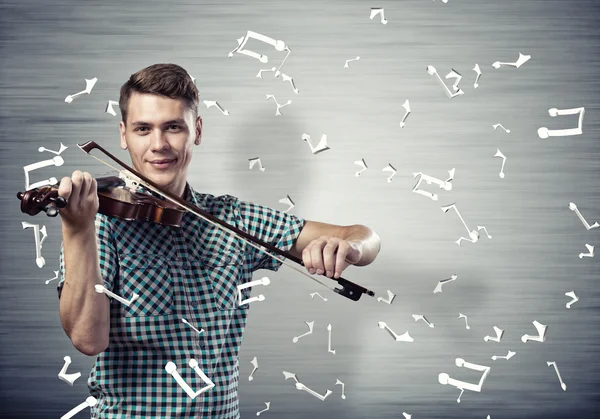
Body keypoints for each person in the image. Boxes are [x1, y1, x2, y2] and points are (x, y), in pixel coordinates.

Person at [56, 63, 381, 418]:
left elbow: (363, 237)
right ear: (123, 136)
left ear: (196, 130)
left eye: (173, 127)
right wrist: (77, 230)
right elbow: (87, 340)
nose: (158, 145)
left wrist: (349, 248)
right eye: (142, 129)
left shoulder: (231, 219)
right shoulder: (98, 221)